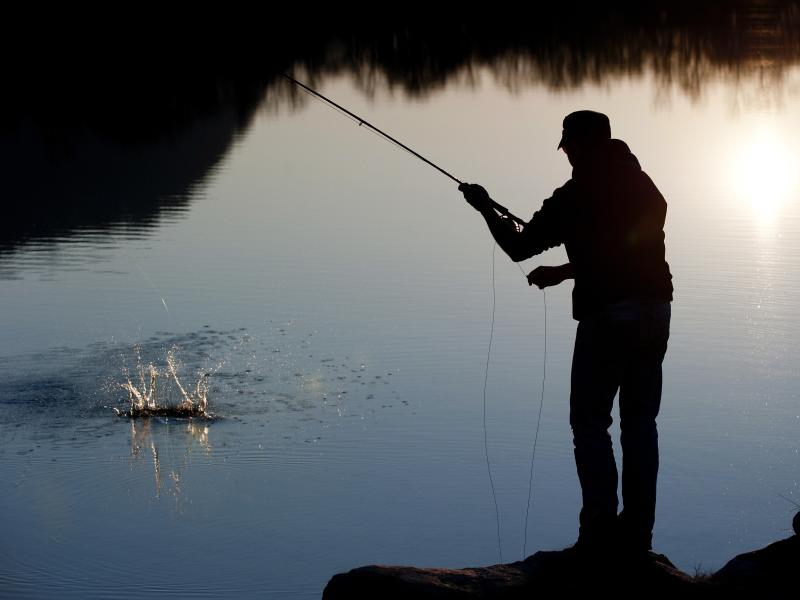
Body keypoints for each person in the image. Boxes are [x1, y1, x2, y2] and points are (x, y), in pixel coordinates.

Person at [459, 110, 673, 556]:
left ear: (582, 145)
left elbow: (519, 247)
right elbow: (626, 251)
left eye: (570, 147)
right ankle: (636, 536)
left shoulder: (574, 196)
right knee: (640, 425)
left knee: (590, 424)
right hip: (654, 313)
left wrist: (485, 208)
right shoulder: (645, 187)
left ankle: (596, 535)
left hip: (606, 318)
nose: (568, 155)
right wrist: (566, 270)